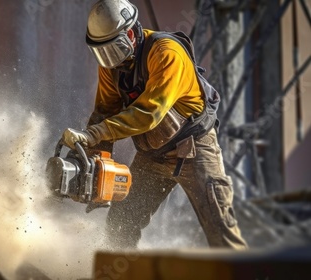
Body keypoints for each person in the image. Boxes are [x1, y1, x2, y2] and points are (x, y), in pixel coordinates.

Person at [61, 0, 247, 249]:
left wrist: (94, 134)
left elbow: (149, 113)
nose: (109, 60)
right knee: (121, 224)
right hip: (154, 154)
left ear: (130, 33)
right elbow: (104, 112)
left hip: (194, 148)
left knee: (220, 228)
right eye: (101, 53)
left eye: (113, 50)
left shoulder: (166, 52)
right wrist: (93, 161)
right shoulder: (111, 66)